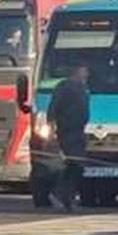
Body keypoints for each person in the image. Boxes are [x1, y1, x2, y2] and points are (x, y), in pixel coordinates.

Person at [46, 62, 90, 212]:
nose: (86, 73)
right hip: (67, 131)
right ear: (77, 71)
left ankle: (67, 197)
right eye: (84, 70)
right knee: (75, 164)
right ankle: (59, 194)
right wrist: (51, 129)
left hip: (78, 131)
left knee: (77, 166)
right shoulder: (64, 86)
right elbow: (53, 108)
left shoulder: (82, 87)